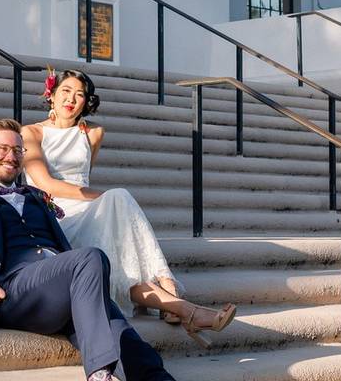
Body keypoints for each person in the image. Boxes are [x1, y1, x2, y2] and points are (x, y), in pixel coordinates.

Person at [0, 118, 175, 381]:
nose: (11, 156)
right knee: (90, 257)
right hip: (10, 291)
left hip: (60, 288)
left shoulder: (35, 197)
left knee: (124, 338)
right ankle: (99, 373)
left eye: (18, 150)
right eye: (2, 148)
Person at [21, 68, 236, 347]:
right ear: (51, 95)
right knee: (118, 198)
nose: (71, 99)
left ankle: (181, 307)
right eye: (65, 91)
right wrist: (101, 197)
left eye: (79, 94)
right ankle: (172, 293)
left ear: (87, 101)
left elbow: (84, 174)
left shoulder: (94, 133)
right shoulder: (30, 132)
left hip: (91, 208)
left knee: (118, 214)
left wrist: (101, 199)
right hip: (55, 213)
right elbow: (45, 184)